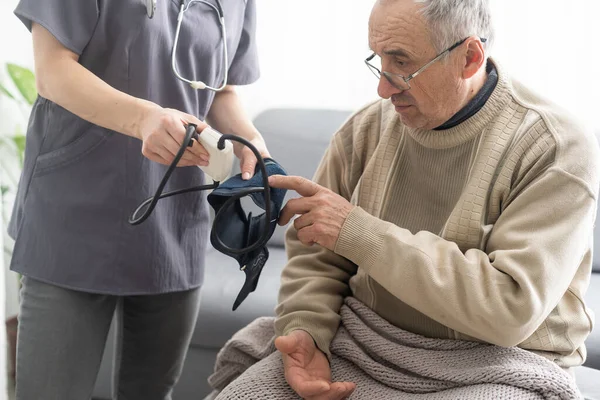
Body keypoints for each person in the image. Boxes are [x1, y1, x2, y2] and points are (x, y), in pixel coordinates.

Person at [207, 0, 600, 399]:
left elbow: (509, 309)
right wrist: (307, 330)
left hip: (498, 362)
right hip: (365, 339)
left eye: (401, 62)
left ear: (469, 57)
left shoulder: (555, 147)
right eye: (378, 60)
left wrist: (358, 232)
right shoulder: (364, 129)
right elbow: (317, 258)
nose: (382, 87)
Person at [8, 0, 269, 399]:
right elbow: (52, 70)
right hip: (75, 212)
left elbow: (220, 90)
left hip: (175, 219)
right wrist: (144, 118)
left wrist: (249, 138)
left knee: (150, 392)